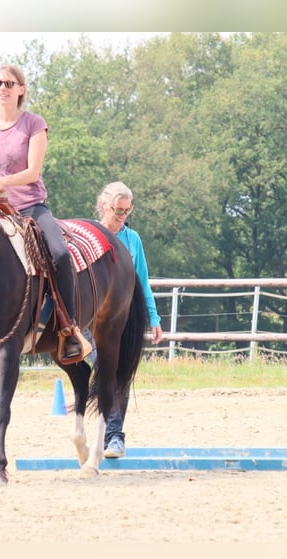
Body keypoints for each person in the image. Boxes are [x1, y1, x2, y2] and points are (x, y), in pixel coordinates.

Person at [0, 64, 91, 366]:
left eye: (9, 83)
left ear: (21, 89)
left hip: (31, 208)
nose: (2, 88)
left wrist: (4, 182)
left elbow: (33, 172)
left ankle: (68, 327)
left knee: (60, 254)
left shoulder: (34, 124)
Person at [95, 181, 163, 458]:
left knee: (117, 373)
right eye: (117, 210)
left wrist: (154, 317)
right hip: (91, 316)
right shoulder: (89, 234)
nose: (121, 216)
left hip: (121, 317)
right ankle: (102, 431)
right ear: (103, 206)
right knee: (98, 372)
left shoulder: (132, 239)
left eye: (126, 211)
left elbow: (143, 281)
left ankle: (113, 436)